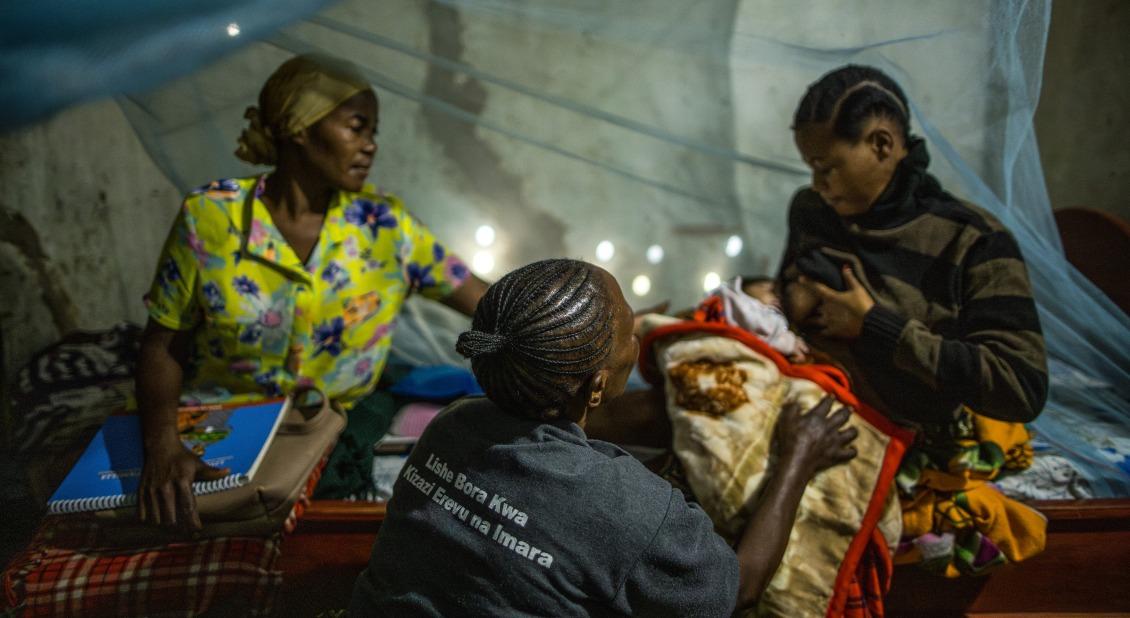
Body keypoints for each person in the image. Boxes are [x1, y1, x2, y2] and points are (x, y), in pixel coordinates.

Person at [349, 259, 857, 616]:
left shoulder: (452, 426)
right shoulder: (627, 508)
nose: (637, 342)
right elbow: (739, 589)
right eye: (627, 338)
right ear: (597, 386)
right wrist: (798, 456)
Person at [135, 54, 488, 530]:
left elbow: (482, 299)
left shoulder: (383, 226)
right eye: (357, 128)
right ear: (299, 127)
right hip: (225, 422)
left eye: (373, 133)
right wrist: (163, 446)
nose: (370, 147)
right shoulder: (211, 217)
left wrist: (573, 312)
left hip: (334, 421)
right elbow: (163, 344)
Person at [779, 64, 1048, 426]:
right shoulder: (811, 211)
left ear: (881, 144)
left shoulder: (972, 240)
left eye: (827, 167)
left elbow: (1020, 386)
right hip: (799, 398)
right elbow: (784, 295)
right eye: (810, 167)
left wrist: (873, 326)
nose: (817, 184)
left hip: (895, 432)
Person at [708, 275, 810, 362]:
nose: (777, 298)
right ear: (743, 287)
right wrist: (788, 342)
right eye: (772, 291)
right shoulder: (730, 296)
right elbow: (759, 324)